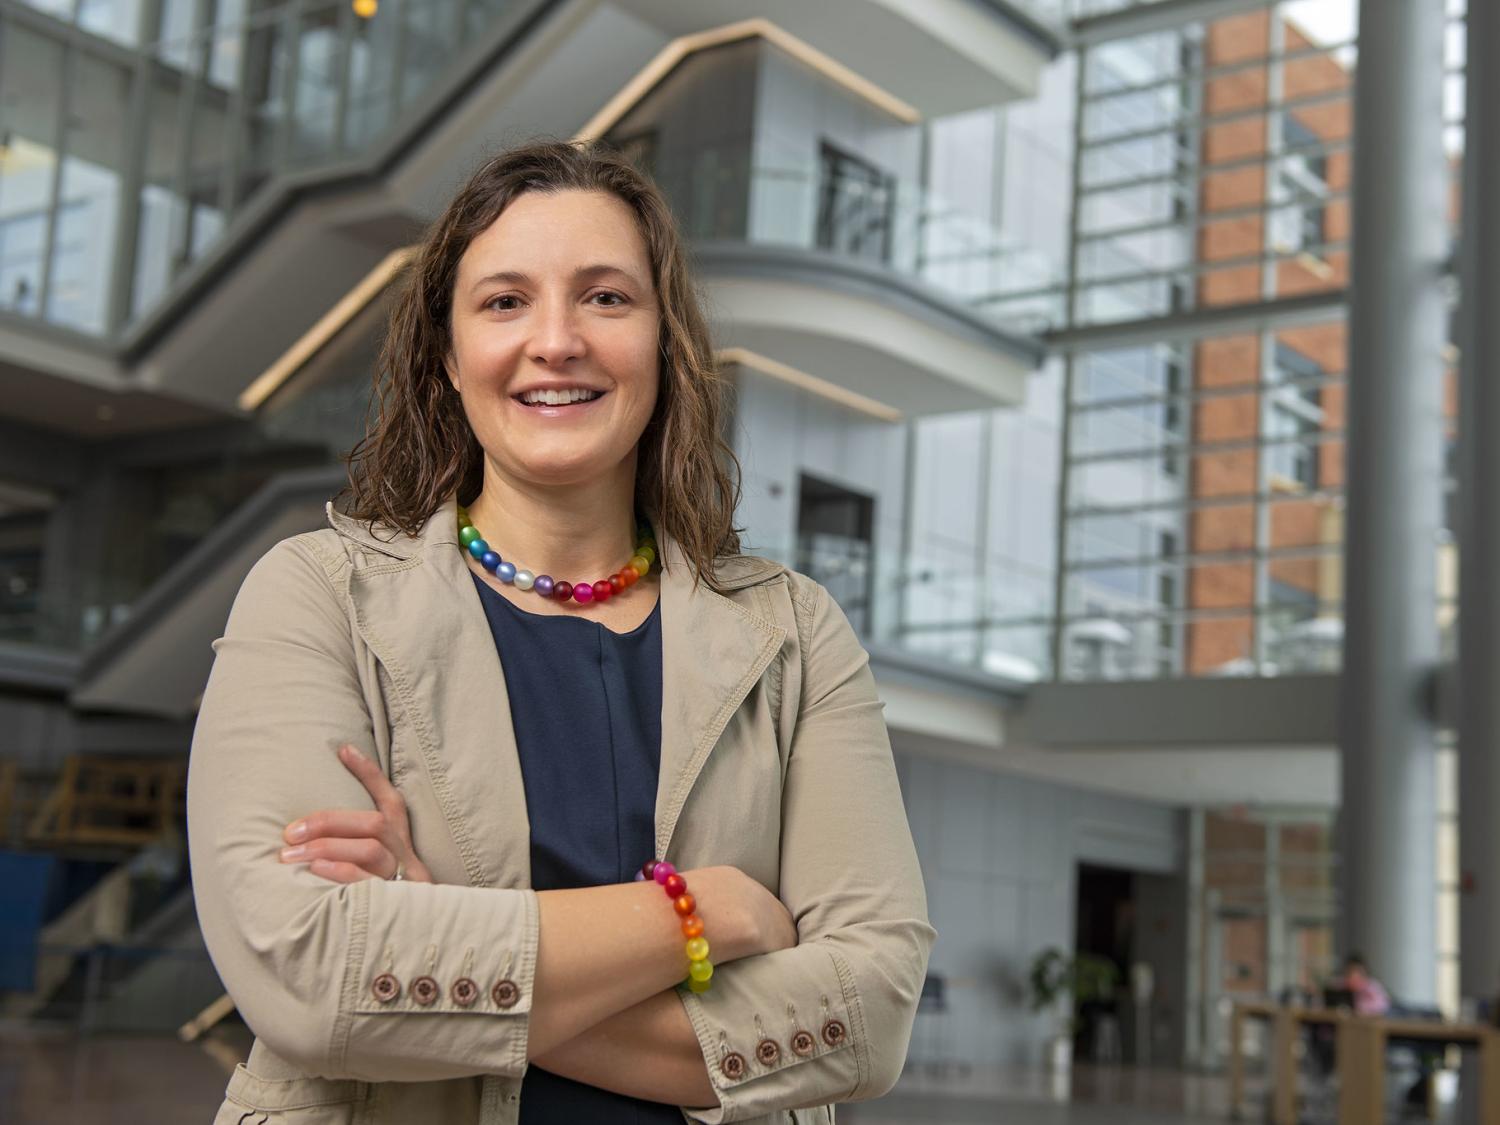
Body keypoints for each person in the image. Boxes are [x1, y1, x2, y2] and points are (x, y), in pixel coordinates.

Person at [186, 139, 934, 1125]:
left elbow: (869, 1015)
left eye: (606, 298)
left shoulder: (793, 633)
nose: (557, 340)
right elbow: (308, 983)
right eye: (505, 302)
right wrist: (705, 913)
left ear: (664, 345)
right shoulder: (316, 596)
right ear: (449, 361)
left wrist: (426, 946)